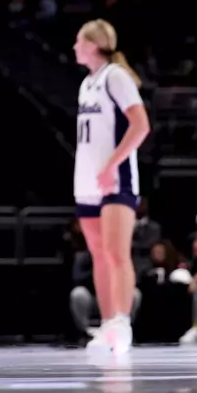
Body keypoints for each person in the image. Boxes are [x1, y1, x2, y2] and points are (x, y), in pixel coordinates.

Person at [70, 19, 151, 355]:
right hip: (87, 180)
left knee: (117, 254)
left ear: (92, 43)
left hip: (116, 178)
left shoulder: (115, 76)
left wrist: (113, 163)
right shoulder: (87, 83)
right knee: (100, 256)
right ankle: (106, 324)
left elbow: (141, 125)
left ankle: (122, 321)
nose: (74, 46)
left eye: (78, 40)